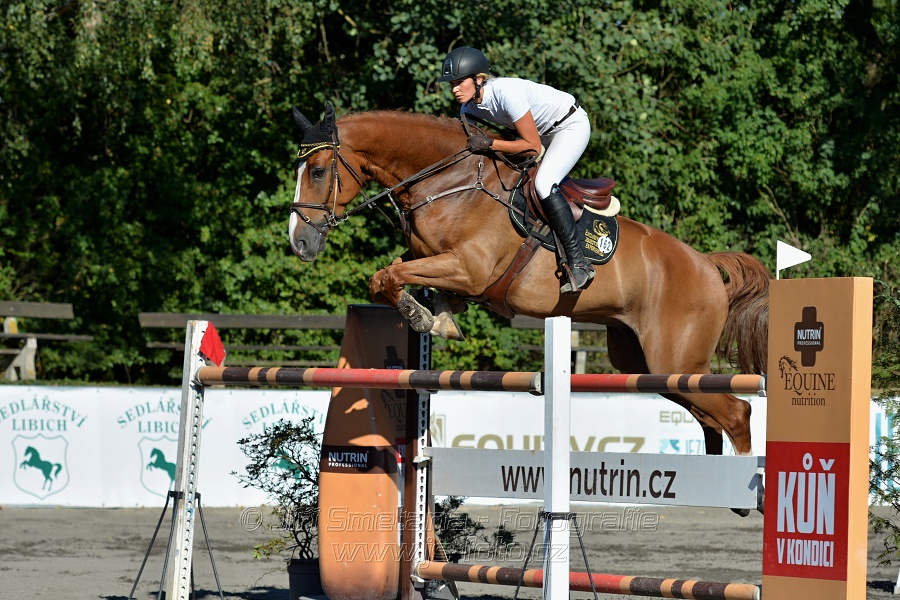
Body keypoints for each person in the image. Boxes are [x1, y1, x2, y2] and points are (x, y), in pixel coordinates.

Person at [438, 46, 594, 294]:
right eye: (451, 84)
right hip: (540, 133)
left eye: (459, 82)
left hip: (569, 126)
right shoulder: (468, 109)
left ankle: (579, 263)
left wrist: (490, 144)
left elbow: (532, 147)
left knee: (544, 183)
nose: (454, 89)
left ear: (479, 79)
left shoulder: (506, 94)